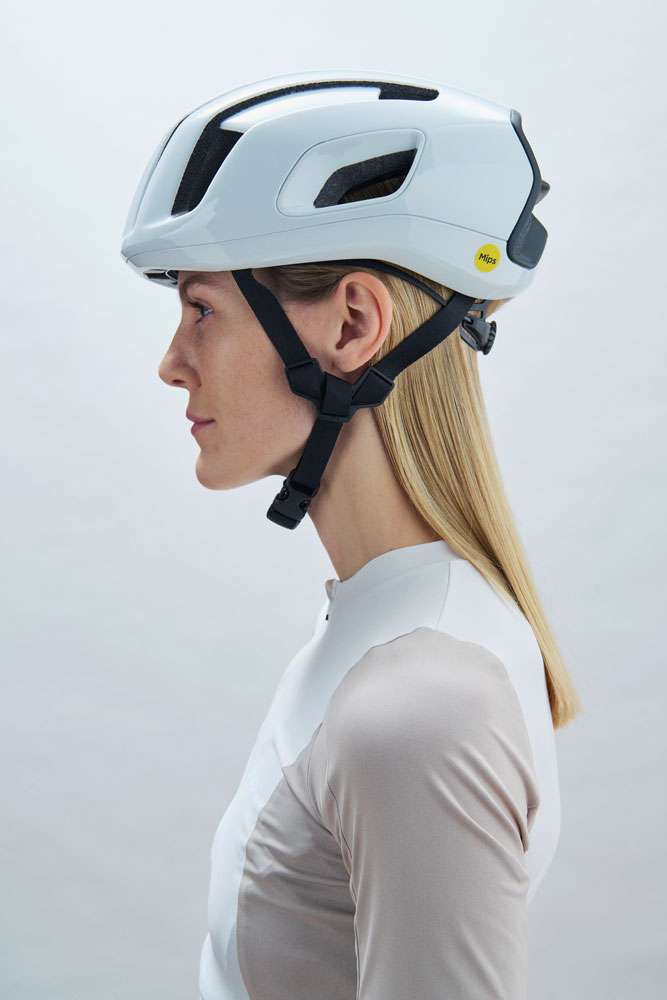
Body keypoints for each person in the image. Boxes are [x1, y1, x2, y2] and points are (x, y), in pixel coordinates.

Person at [121, 70, 583, 1000]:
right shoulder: (384, 631)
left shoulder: (419, 708)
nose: (172, 364)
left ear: (353, 324)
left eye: (201, 310)